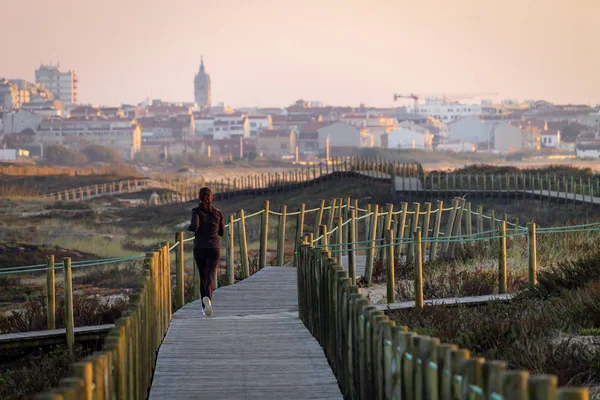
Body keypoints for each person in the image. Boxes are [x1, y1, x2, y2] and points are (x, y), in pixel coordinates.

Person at [187, 187, 224, 316]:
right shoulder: (218, 213)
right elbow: (222, 232)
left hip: (199, 248)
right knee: (210, 276)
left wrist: (189, 227)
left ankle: (204, 307)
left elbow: (194, 226)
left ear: (199, 198)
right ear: (211, 197)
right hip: (214, 248)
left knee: (202, 276)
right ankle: (208, 298)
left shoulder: (196, 211)